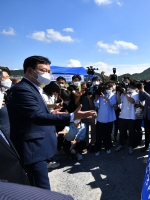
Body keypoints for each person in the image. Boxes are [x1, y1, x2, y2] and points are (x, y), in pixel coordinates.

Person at [6, 55, 95, 190]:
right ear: (30, 71)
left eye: (49, 71)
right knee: (40, 189)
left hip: (37, 147)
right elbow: (36, 116)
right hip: (32, 150)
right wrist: (71, 116)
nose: (47, 74)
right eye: (43, 70)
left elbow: (33, 113)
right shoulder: (22, 89)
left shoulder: (33, 87)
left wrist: (51, 113)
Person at [116, 80, 139, 155]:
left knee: (131, 133)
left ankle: (130, 146)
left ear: (134, 87)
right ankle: (121, 144)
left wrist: (126, 93)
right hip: (122, 116)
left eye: (131, 86)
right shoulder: (124, 94)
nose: (130, 87)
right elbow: (119, 102)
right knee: (122, 132)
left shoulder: (136, 94)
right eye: (129, 86)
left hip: (131, 117)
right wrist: (118, 93)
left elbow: (132, 101)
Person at [94, 83, 116, 156]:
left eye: (110, 88)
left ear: (112, 88)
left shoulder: (113, 95)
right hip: (100, 119)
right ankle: (97, 149)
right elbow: (96, 105)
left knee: (108, 135)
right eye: (107, 88)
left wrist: (105, 98)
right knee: (99, 135)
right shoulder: (100, 96)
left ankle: (107, 148)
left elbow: (112, 103)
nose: (108, 90)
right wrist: (96, 96)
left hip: (109, 119)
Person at [79, 83, 96, 150]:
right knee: (85, 131)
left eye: (86, 88)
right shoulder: (81, 95)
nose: (85, 90)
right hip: (84, 114)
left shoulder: (91, 95)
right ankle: (86, 144)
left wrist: (89, 99)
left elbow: (92, 106)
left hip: (91, 114)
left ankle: (92, 144)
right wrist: (80, 94)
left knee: (93, 130)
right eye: (83, 88)